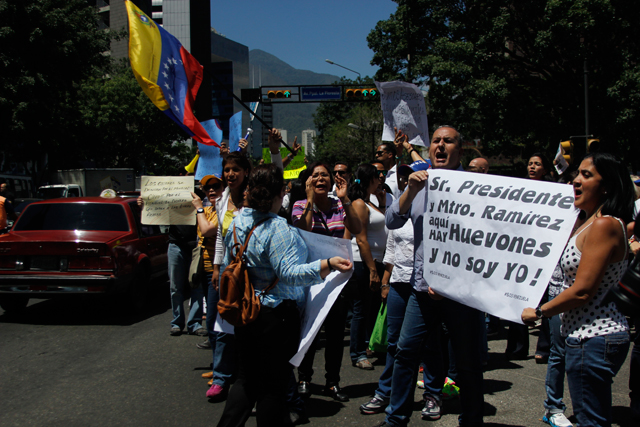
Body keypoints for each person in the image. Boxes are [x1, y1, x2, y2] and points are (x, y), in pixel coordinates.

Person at [215, 164, 352, 427]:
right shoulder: (278, 228)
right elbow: (290, 273)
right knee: (272, 388)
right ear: (281, 191)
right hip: (274, 317)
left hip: (246, 311)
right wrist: (328, 264)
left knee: (246, 380)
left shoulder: (239, 220)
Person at [377, 125, 485, 427]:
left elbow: (484, 242)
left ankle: (472, 420)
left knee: (467, 362)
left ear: (459, 151)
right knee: (405, 353)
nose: (440, 146)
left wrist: (451, 281)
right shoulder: (418, 182)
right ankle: (395, 419)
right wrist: (410, 189)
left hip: (460, 294)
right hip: (421, 291)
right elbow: (392, 220)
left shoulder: (476, 187)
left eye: (448, 141)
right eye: (435, 141)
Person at [522, 152, 635, 427]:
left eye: (587, 175)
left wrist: (539, 312)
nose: (576, 180)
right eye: (577, 174)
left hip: (594, 337)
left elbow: (583, 290)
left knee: (591, 421)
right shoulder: (586, 222)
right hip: (584, 335)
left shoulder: (604, 225)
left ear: (606, 186)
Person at [292, 160, 361, 401]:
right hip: (311, 276)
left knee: (334, 334)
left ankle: (333, 382)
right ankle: (304, 378)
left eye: (325, 176)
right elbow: (303, 230)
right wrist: (310, 201)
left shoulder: (339, 205)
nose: (321, 179)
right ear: (308, 182)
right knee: (310, 329)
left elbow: (355, 227)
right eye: (315, 176)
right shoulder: (300, 205)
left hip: (338, 279)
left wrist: (345, 199)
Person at [190, 173, 235, 400]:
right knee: (211, 324)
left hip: (223, 272)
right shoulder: (209, 209)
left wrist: (199, 211)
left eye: (215, 186)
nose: (211, 191)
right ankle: (219, 368)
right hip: (209, 270)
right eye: (207, 189)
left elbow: (209, 231)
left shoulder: (224, 209)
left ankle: (223, 373)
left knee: (222, 322)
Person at [343, 164, 389, 370]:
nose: (381, 180)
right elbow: (361, 239)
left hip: (376, 261)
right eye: (377, 177)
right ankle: (358, 353)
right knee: (361, 309)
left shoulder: (371, 203)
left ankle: (369, 345)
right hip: (364, 263)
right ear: (369, 179)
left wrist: (383, 204)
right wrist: (372, 269)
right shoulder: (360, 204)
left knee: (371, 308)